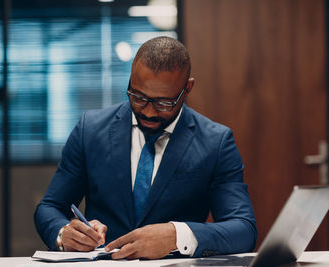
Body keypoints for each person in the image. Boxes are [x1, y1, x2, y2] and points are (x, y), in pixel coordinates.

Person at [34, 36, 257, 260]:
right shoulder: (90, 130)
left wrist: (177, 235)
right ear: (130, 80)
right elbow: (50, 207)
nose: (149, 112)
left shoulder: (215, 142)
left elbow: (243, 229)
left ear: (187, 88)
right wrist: (64, 233)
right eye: (138, 97)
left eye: (164, 103)